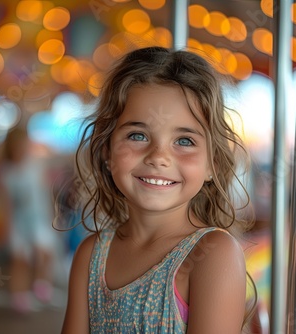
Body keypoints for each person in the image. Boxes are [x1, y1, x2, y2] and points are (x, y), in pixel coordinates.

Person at [61, 46, 256, 333]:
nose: (158, 156)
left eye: (185, 141)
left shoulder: (213, 254)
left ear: (212, 163)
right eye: (138, 135)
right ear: (106, 149)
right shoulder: (92, 256)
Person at [0, 127, 58, 313]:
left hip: (39, 218)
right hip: (19, 221)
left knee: (45, 253)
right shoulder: (6, 172)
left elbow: (47, 192)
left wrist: (54, 214)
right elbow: (4, 202)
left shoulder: (35, 165)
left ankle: (41, 286)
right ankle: (20, 296)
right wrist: (5, 226)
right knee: (20, 261)